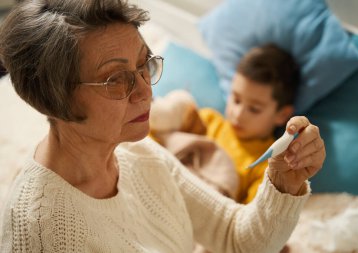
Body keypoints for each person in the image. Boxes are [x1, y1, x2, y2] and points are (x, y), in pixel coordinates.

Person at [0, 1, 325, 253]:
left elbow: (234, 237)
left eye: (144, 64)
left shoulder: (138, 151)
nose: (145, 91)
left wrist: (284, 183)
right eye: (116, 80)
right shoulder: (40, 234)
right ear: (55, 100)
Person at [199, 44, 300, 203]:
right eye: (236, 99)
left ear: (282, 115)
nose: (238, 114)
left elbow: (248, 219)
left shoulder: (268, 166)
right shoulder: (206, 121)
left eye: (254, 109)